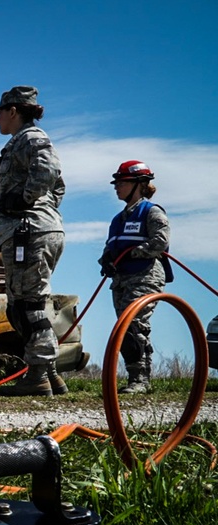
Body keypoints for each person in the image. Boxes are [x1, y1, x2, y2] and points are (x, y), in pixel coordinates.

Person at [0, 86, 68, 397]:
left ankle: (37, 375)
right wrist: (42, 208)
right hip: (30, 230)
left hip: (30, 233)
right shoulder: (19, 143)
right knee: (21, 306)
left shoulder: (31, 138)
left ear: (13, 111)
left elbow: (51, 171)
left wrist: (25, 201)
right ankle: (49, 375)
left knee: (29, 307)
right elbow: (58, 188)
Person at [98, 161, 172, 394]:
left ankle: (141, 380)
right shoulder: (117, 220)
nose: (117, 187)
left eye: (122, 182)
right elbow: (109, 248)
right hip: (121, 279)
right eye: (117, 183)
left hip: (145, 275)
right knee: (123, 328)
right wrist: (107, 262)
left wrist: (133, 252)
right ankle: (134, 377)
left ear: (139, 185)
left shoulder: (151, 212)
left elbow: (161, 242)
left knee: (134, 324)